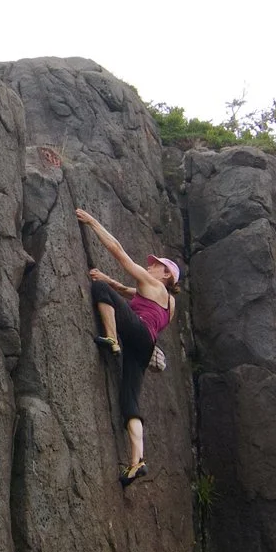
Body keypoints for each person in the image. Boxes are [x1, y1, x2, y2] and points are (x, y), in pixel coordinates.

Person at [75, 206, 181, 486]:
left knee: (100, 292)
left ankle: (111, 338)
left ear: (166, 275)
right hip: (145, 348)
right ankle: (137, 462)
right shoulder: (170, 304)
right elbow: (127, 292)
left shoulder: (152, 283)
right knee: (129, 400)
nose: (149, 266)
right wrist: (109, 280)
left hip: (137, 335)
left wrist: (93, 221)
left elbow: (119, 253)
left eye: (155, 265)